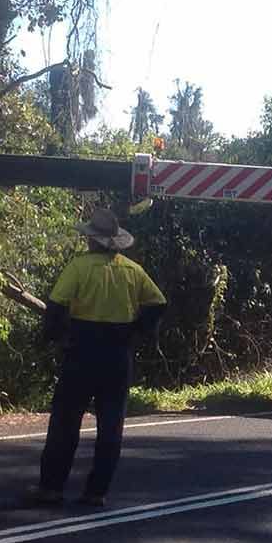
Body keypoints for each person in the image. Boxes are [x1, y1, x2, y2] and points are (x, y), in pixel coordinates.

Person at [25, 208, 166, 508]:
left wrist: (56, 338)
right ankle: (96, 492)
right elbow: (157, 303)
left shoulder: (79, 267)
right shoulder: (132, 270)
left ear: (92, 241)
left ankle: (51, 487)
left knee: (65, 420)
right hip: (117, 352)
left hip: (82, 350)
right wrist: (137, 332)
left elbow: (56, 306)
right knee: (111, 425)